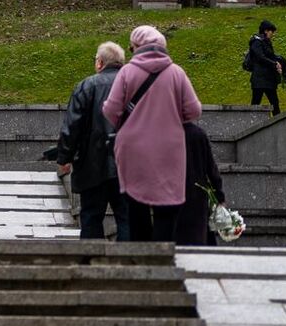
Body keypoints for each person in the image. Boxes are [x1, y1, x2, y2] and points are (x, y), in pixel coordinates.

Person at [102, 25, 204, 243]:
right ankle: (162, 256)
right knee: (166, 210)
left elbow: (111, 109)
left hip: (133, 150)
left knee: (135, 209)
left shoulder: (127, 72)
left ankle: (141, 259)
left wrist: (128, 123)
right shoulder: (176, 73)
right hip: (169, 150)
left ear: (137, 47)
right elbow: (194, 110)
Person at [56, 42, 129, 240]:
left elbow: (72, 126)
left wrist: (64, 157)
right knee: (127, 218)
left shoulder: (86, 86)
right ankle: (130, 263)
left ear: (100, 63)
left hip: (91, 163)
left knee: (90, 216)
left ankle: (90, 263)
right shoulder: (132, 85)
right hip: (128, 164)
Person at [173, 122, 222, 246]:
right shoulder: (198, 134)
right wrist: (219, 195)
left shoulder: (169, 133)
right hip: (198, 194)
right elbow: (211, 168)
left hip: (174, 193)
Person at [245, 20, 283, 116]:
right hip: (259, 79)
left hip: (269, 78)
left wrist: (277, 63)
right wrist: (274, 64)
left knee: (275, 103)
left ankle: (277, 123)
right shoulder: (256, 42)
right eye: (272, 32)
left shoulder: (266, 42)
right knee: (256, 102)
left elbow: (270, 56)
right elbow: (260, 57)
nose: (273, 34)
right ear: (266, 31)